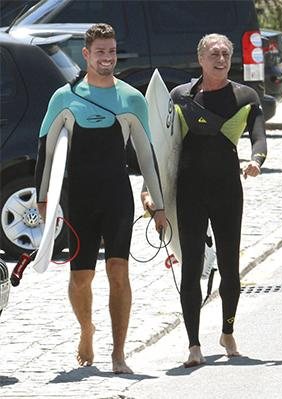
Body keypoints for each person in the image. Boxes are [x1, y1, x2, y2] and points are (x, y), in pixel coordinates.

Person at [34, 23, 167, 374]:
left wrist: (160, 205)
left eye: (111, 51)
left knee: (119, 272)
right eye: (100, 52)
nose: (107, 58)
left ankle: (119, 353)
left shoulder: (130, 99)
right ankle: (86, 330)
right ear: (87, 54)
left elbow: (146, 155)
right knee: (81, 279)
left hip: (117, 199)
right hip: (79, 200)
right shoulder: (65, 97)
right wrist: (44, 199)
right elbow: (46, 152)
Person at [142, 33, 266, 368]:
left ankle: (227, 331)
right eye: (215, 53)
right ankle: (194, 344)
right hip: (189, 191)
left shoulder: (245, 96)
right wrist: (149, 190)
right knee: (191, 267)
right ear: (201, 58)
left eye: (226, 53)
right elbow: (160, 147)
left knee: (229, 266)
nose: (222, 59)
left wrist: (256, 160)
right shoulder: (179, 96)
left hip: (227, 190)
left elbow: (259, 136)